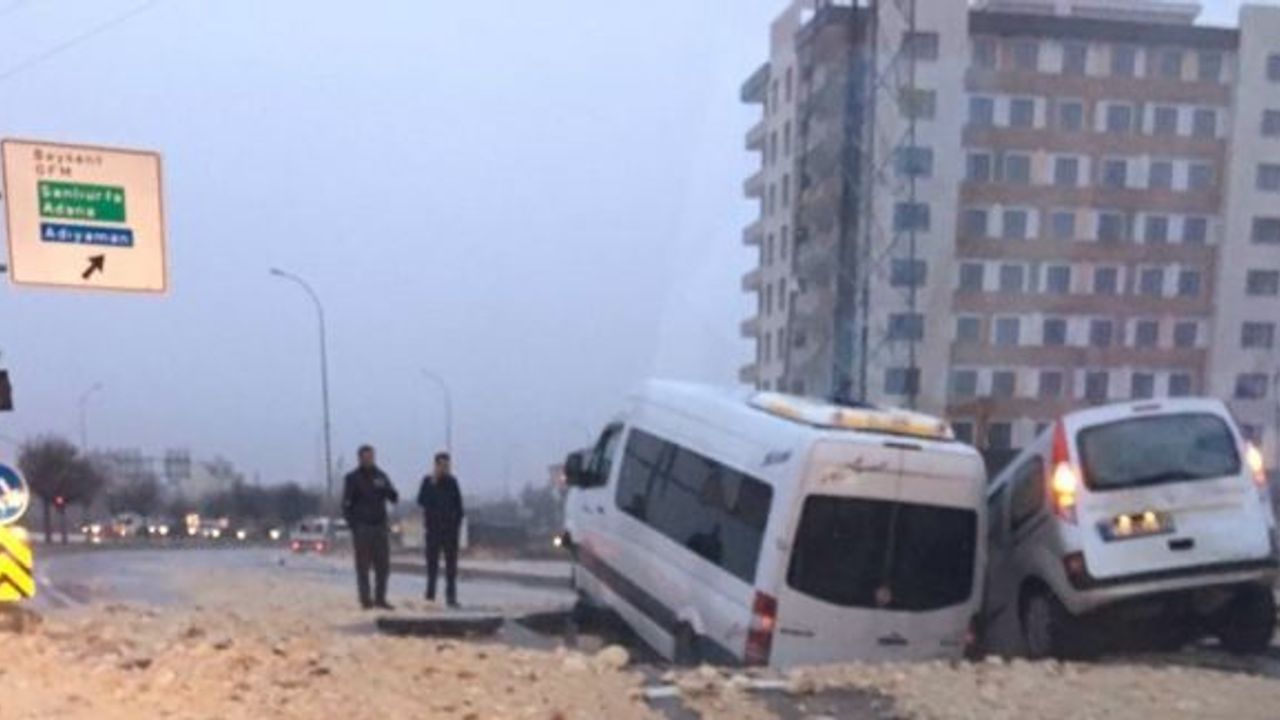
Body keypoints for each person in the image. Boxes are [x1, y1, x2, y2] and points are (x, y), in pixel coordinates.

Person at [342, 445, 399, 610]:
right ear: (359, 458)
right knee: (363, 565)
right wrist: (353, 524)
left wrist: (387, 489)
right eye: (365, 457)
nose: (369, 460)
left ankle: (380, 598)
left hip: (380, 526)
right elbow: (346, 504)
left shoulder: (381, 476)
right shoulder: (352, 478)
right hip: (362, 527)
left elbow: (393, 497)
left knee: (383, 565)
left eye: (371, 457)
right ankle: (365, 599)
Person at [417, 451, 464, 607]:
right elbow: (421, 501)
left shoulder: (453, 482)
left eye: (447, 465)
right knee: (432, 566)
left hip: (450, 532)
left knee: (451, 567)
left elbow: (459, 506)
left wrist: (455, 523)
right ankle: (430, 596)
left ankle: (451, 597)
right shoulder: (428, 481)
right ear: (436, 465)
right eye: (442, 465)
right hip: (433, 531)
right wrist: (433, 483)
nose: (445, 468)